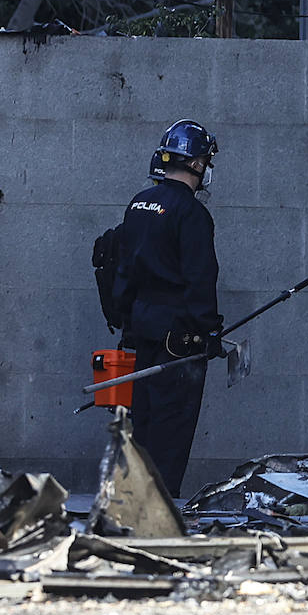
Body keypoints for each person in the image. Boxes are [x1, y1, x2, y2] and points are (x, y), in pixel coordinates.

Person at [113, 120, 223, 496]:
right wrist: (209, 331)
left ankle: (133, 507)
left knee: (141, 429)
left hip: (144, 332)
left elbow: (123, 269)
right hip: (180, 342)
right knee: (170, 436)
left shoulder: (139, 203)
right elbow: (200, 278)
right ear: (195, 164)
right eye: (206, 160)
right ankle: (158, 514)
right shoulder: (191, 214)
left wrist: (129, 317)